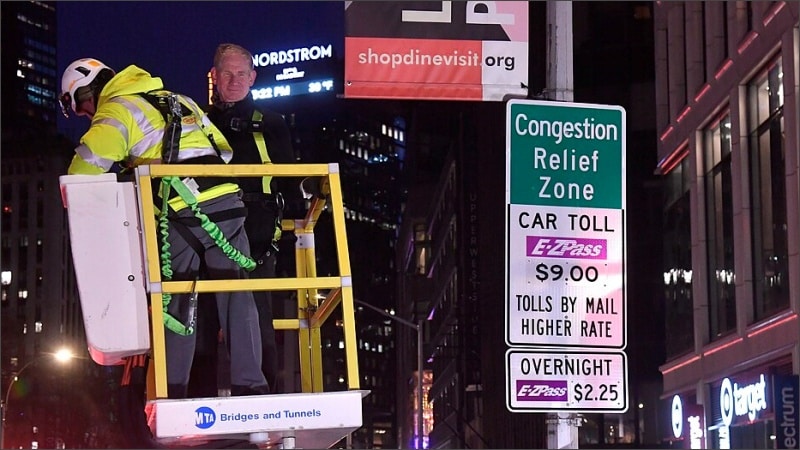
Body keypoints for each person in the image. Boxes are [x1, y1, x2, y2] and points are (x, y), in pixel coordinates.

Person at [58, 58, 270, 399]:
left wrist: (133, 169)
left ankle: (173, 391)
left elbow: (83, 172)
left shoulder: (117, 110)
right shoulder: (179, 99)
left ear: (87, 90)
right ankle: (252, 385)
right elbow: (224, 152)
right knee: (238, 295)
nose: (85, 113)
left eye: (81, 105)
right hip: (226, 201)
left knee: (176, 303)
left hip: (178, 210)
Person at [202, 43, 303, 394]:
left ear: (253, 78)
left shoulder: (269, 123)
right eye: (226, 73)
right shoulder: (196, 122)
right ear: (214, 76)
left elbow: (290, 179)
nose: (233, 81)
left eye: (240, 74)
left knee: (258, 320)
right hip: (205, 231)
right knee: (202, 321)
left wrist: (293, 234)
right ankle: (197, 402)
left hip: (257, 233)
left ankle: (262, 400)